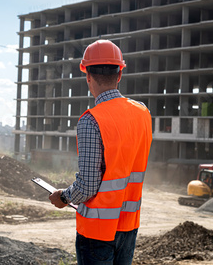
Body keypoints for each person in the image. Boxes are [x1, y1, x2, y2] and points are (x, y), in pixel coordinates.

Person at [49, 39, 152, 265]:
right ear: (120, 74)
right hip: (129, 226)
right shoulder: (143, 113)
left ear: (87, 76)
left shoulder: (91, 120)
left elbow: (87, 186)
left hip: (98, 232)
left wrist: (63, 197)